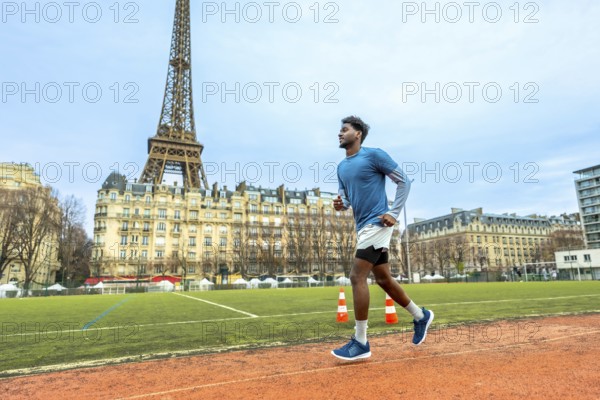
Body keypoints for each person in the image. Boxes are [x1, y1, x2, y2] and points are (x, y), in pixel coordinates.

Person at [331, 116, 434, 361]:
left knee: (357, 276)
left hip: (377, 222)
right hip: (363, 227)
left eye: (344, 130)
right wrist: (340, 204)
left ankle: (361, 341)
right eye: (340, 130)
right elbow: (345, 198)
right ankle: (421, 316)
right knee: (384, 279)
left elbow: (404, 181)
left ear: (358, 134)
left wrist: (394, 212)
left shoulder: (374, 155)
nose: (340, 133)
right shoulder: (341, 167)